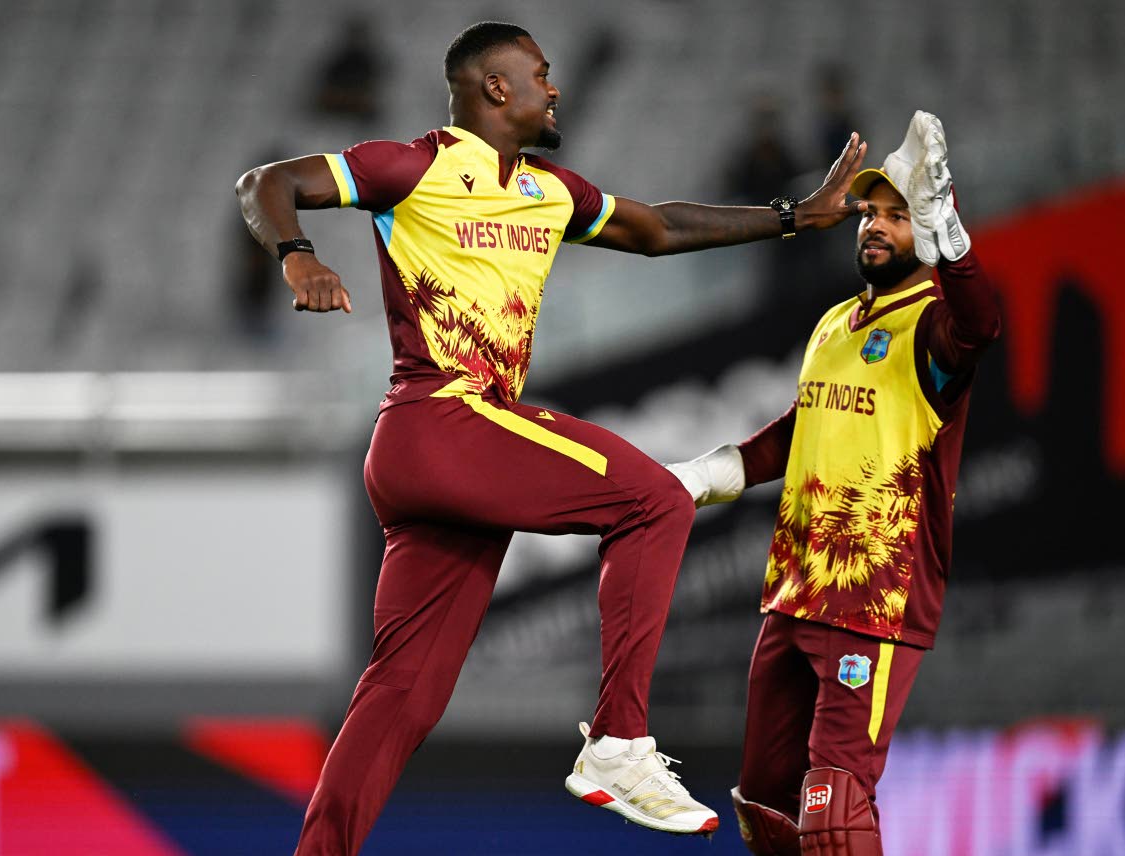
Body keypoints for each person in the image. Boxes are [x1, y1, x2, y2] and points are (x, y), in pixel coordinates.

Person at [235, 21, 867, 852]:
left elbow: (658, 229)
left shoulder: (549, 191)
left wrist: (794, 216)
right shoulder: (419, 165)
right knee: (653, 500)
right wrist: (298, 256)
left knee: (403, 697)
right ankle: (617, 744)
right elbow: (264, 182)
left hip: (446, 457)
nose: (553, 87)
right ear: (496, 88)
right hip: (444, 417)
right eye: (540, 74)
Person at [667, 112, 1001, 855]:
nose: (873, 227)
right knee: (766, 811)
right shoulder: (832, 325)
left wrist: (948, 225)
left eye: (896, 216)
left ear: (928, 233)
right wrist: (704, 475)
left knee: (836, 812)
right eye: (869, 214)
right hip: (793, 590)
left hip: (874, 598)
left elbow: (981, 327)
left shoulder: (935, 325)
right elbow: (800, 430)